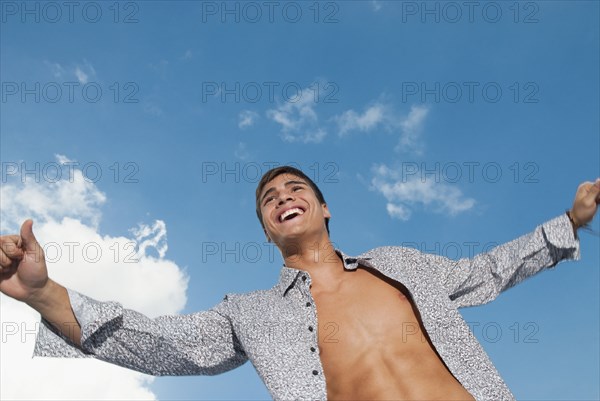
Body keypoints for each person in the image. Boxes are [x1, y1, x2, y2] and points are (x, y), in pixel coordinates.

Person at [1, 166, 599, 401]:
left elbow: (486, 270)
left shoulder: (404, 265)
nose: (283, 198)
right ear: (266, 230)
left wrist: (568, 222)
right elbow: (159, 341)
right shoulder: (251, 313)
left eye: (295, 190)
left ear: (324, 207)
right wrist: (40, 293)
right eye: (269, 199)